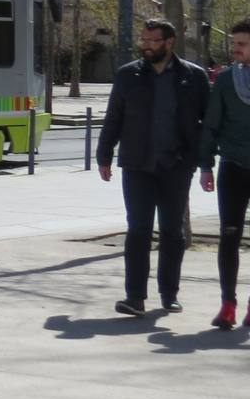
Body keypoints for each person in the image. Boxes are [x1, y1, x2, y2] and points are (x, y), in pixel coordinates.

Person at [97, 18, 211, 317]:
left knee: (173, 231)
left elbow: (206, 122)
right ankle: (135, 297)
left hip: (176, 165)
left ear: (169, 42)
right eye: (143, 40)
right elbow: (114, 117)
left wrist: (204, 161)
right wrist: (104, 154)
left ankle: (169, 294)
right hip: (137, 164)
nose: (145, 45)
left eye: (152, 40)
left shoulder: (193, 76)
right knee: (138, 230)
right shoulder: (127, 75)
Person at [197, 19, 250, 330]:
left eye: (242, 43)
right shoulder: (227, 80)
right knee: (229, 236)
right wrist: (205, 165)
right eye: (235, 42)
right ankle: (227, 304)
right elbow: (211, 124)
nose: (235, 48)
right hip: (233, 166)